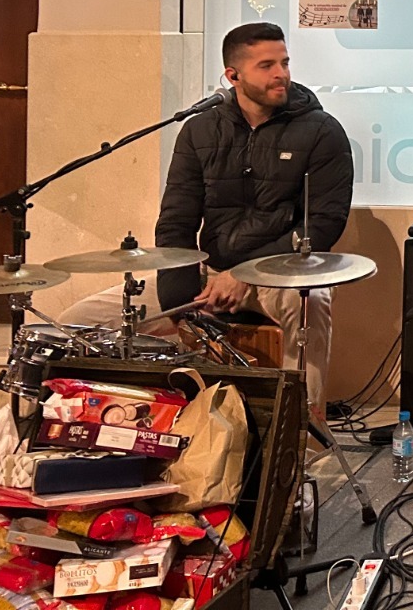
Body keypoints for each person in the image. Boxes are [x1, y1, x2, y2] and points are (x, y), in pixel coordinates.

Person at [128, 23, 350, 413]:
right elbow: (176, 223)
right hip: (210, 272)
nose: (281, 74)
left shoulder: (321, 131)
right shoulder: (199, 130)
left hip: (282, 275)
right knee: (85, 318)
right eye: (267, 65)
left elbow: (322, 225)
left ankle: (301, 429)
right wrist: (181, 303)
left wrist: (246, 274)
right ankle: (148, 421)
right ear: (233, 76)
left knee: (311, 304)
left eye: (284, 62)